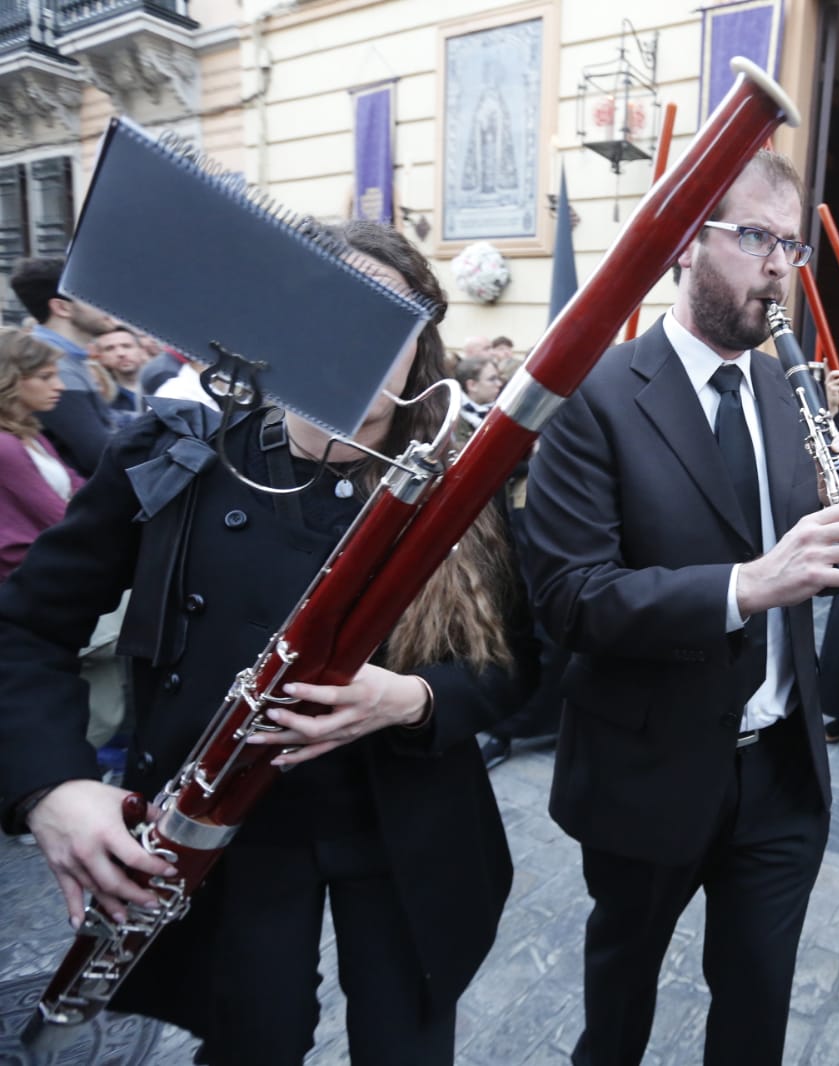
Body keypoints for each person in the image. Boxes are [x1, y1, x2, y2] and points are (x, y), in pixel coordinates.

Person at [0, 222, 529, 1065]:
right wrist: (51, 788)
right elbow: (24, 628)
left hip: (405, 829)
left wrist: (414, 699)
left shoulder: (462, 479)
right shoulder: (177, 452)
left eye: (385, 317)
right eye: (330, 309)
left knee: (408, 1046)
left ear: (419, 339)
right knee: (254, 1044)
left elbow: (522, 666)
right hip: (228, 839)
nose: (354, 342)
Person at [520, 149, 839, 1066]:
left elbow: (791, 542)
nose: (778, 268)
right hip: (650, 765)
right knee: (618, 1010)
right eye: (757, 236)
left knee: (756, 1011)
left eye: (790, 246)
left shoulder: (784, 390)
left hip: (780, 772)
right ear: (687, 241)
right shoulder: (589, 394)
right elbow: (571, 599)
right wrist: (748, 584)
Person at [7, 257, 118, 476]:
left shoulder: (68, 360)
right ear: (62, 307)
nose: (110, 304)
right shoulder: (56, 365)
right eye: (94, 296)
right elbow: (98, 453)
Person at [0, 328, 83, 580]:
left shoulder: (29, 433)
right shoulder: (5, 445)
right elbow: (61, 517)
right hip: (23, 580)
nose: (59, 386)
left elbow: (79, 487)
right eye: (45, 377)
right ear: (10, 379)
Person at [454, 355, 504, 430]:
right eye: (492, 379)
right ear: (472, 385)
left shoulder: (498, 412)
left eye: (498, 378)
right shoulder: (452, 418)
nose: (499, 384)